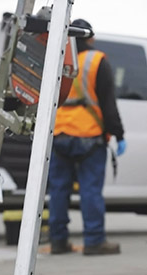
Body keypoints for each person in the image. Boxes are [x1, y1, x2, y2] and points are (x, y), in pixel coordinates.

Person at [48, 18, 126, 255]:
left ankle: (58, 241)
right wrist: (118, 133)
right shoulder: (97, 60)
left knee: (59, 190)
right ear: (90, 37)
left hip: (59, 131)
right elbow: (107, 102)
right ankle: (94, 241)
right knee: (90, 190)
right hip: (89, 134)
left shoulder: (57, 59)